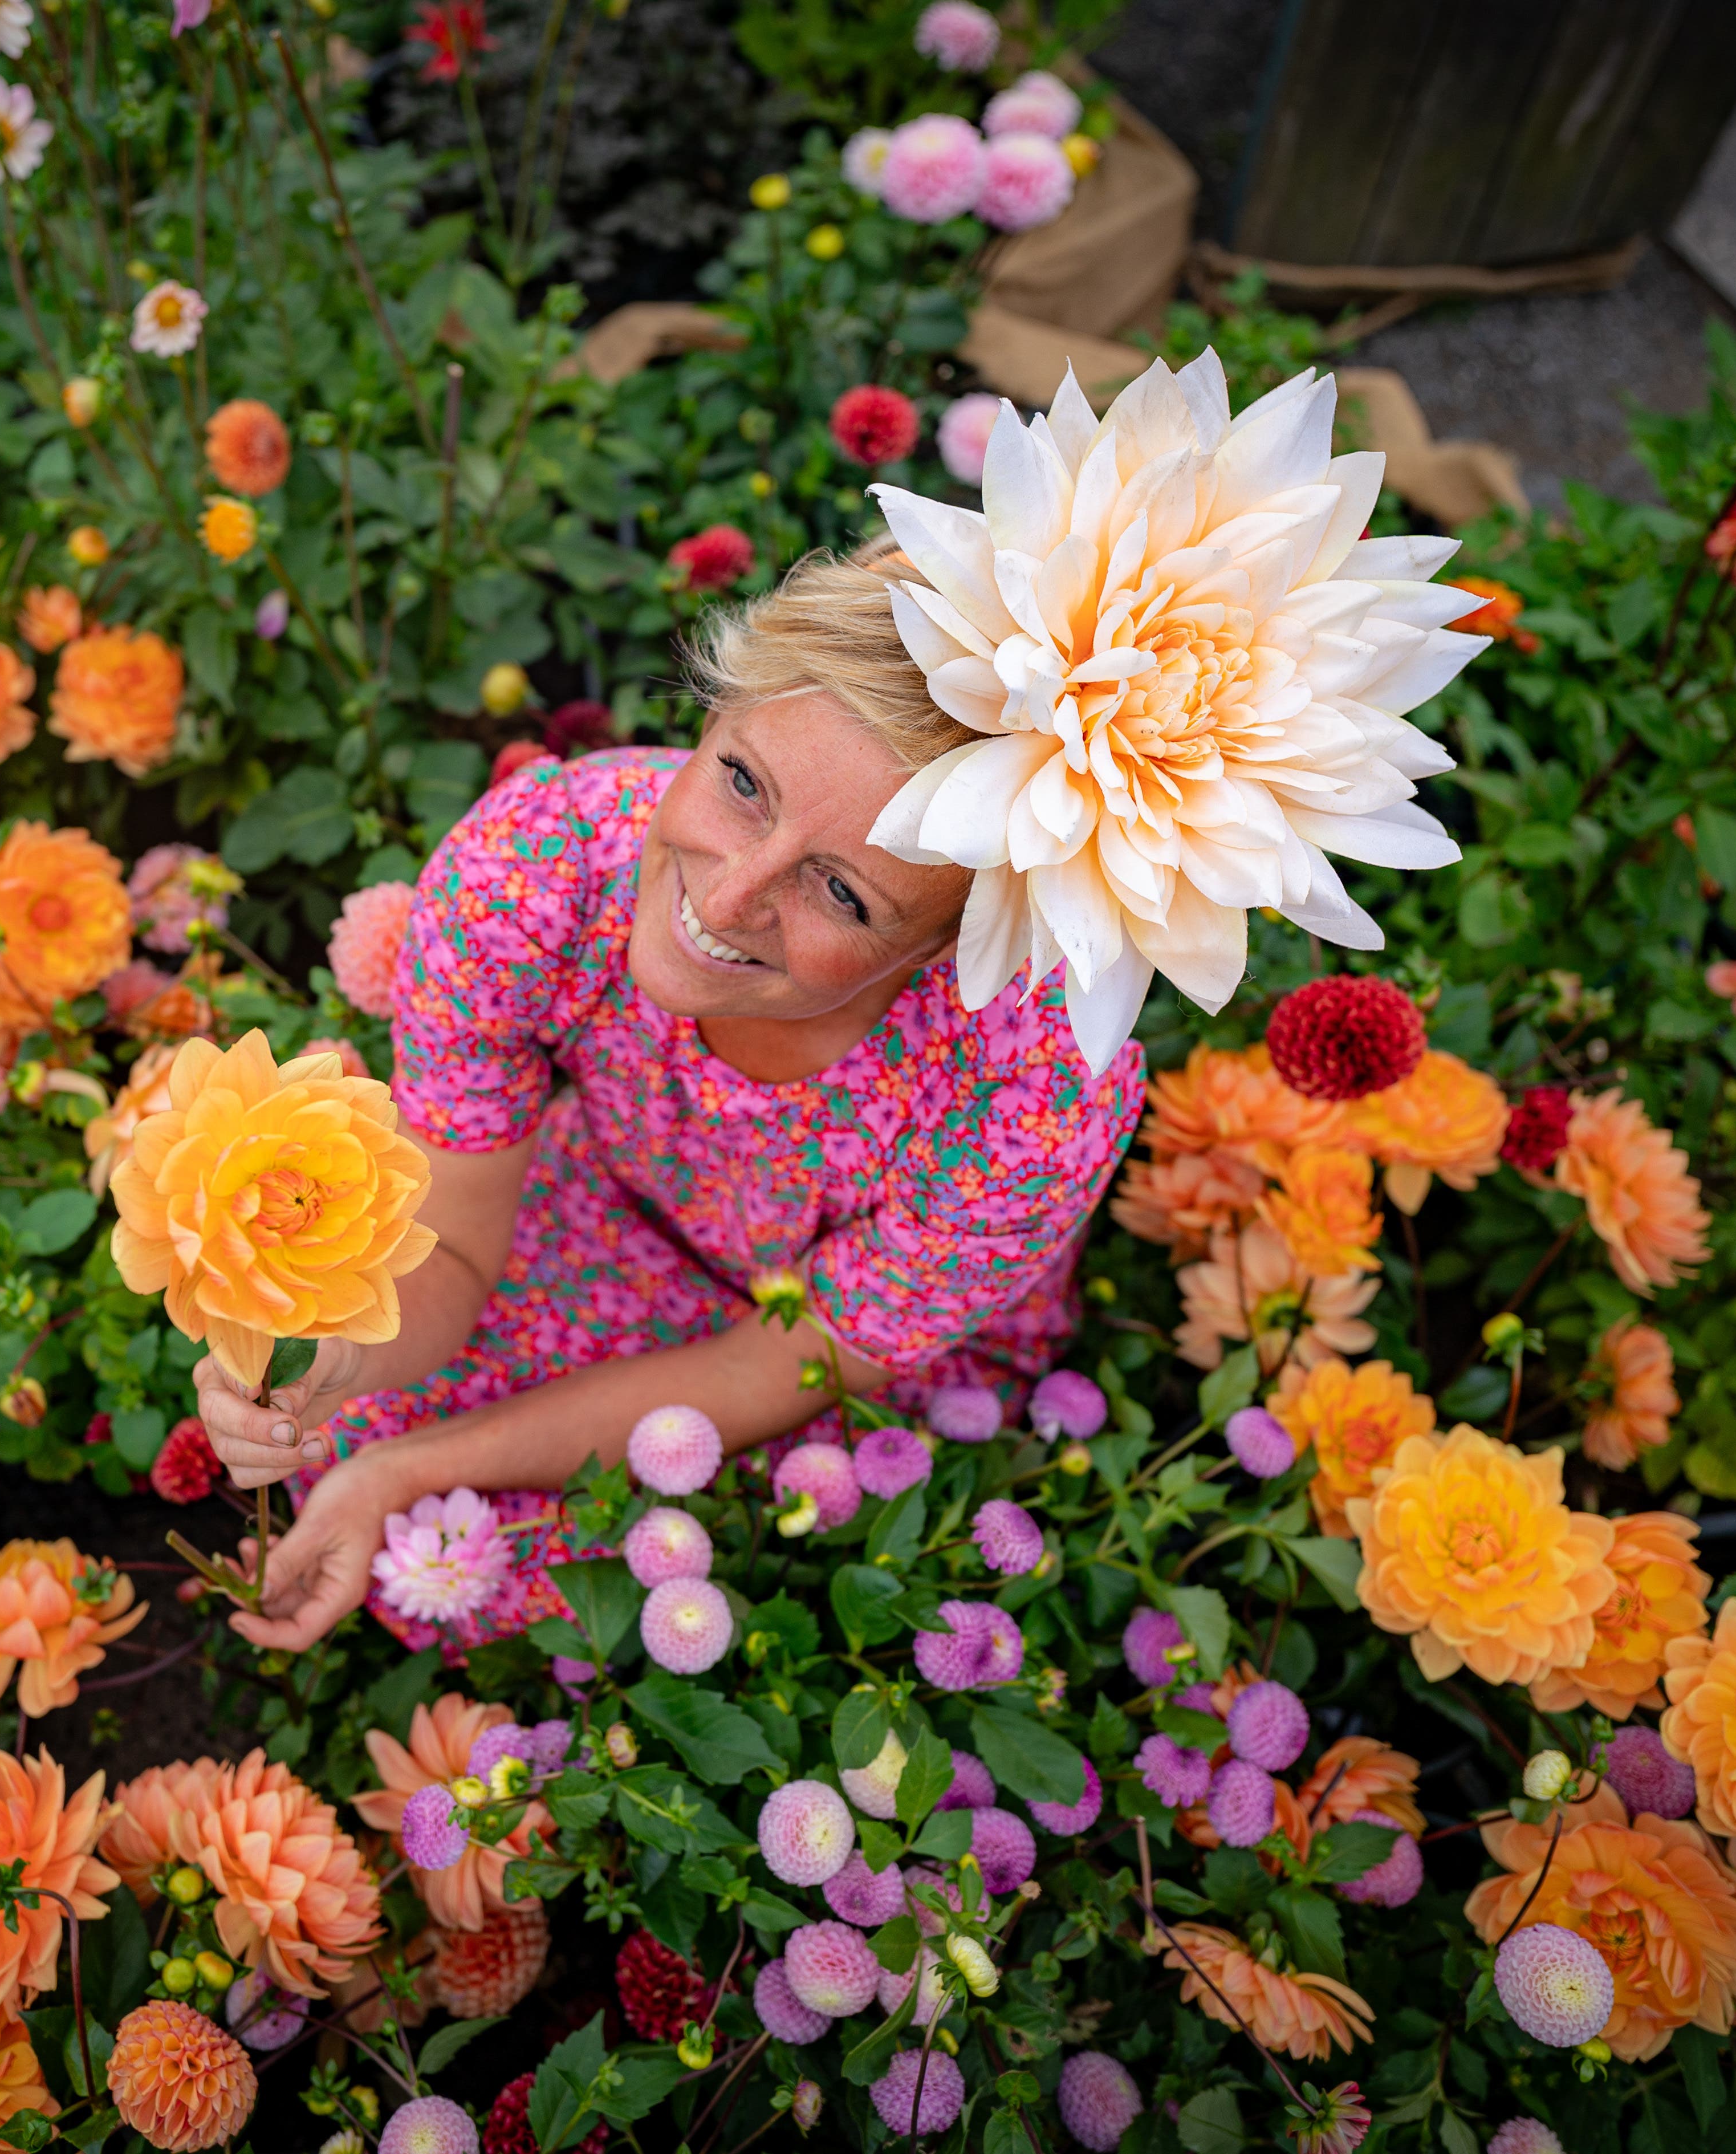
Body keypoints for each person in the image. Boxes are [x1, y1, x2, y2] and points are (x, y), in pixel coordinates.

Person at [197, 540, 1145, 1653]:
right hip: (608, 1202)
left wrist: (411, 1466)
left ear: (951, 944)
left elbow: (778, 1362)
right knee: (336, 1426)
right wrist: (347, 1357)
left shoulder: (1026, 1095)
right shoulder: (537, 873)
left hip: (812, 1351)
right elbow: (450, 1246)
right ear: (717, 703)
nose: (725, 893)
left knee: (554, 1577)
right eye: (743, 782)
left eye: (840, 892)